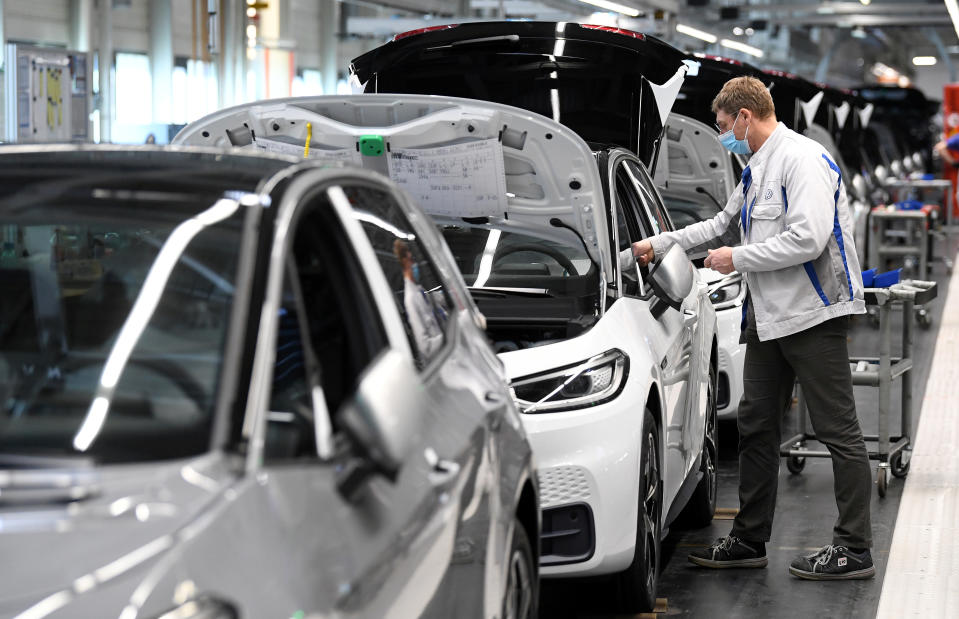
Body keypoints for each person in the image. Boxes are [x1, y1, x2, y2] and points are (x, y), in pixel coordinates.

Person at [630, 76, 875, 580]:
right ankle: (749, 538)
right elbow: (721, 223)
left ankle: (854, 548)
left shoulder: (799, 160)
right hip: (769, 319)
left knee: (838, 432)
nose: (723, 136)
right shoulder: (756, 168)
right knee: (756, 423)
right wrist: (662, 242)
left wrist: (737, 259)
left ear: (745, 116)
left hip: (814, 314)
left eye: (723, 126)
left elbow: (808, 238)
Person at [393, 239, 443, 360]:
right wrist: (447, 336)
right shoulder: (411, 300)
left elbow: (437, 299)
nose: (416, 265)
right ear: (405, 262)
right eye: (412, 260)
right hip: (438, 359)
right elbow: (425, 347)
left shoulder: (419, 291)